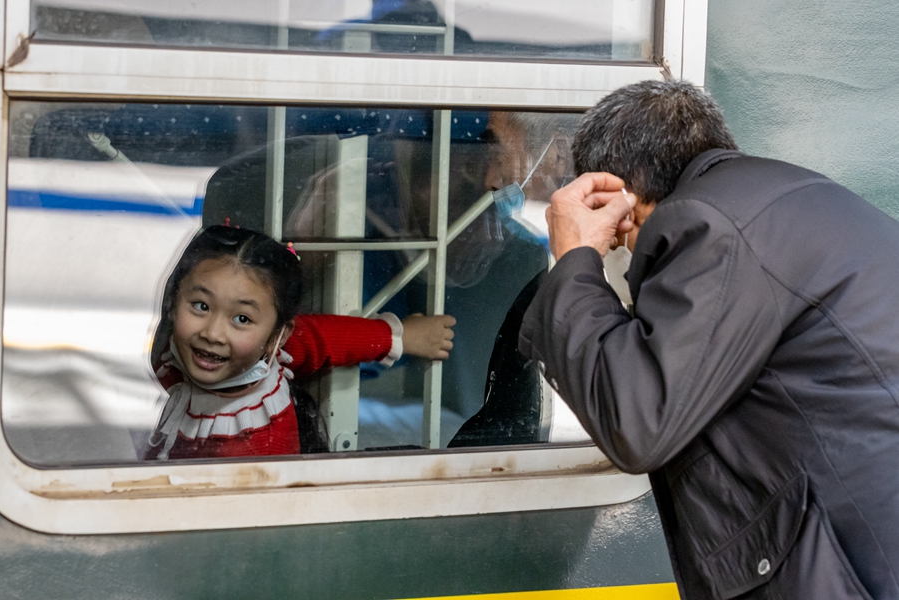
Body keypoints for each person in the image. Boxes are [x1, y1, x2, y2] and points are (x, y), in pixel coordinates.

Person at [518, 79, 899, 599]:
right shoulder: (800, 199)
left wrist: (574, 259)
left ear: (618, 195)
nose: (624, 255)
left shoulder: (706, 225)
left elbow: (638, 421)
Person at [145, 225, 455, 460]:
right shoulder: (175, 351)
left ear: (277, 337)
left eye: (242, 319)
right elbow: (326, 335)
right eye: (201, 306)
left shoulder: (262, 439)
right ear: (173, 302)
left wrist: (406, 337)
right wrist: (391, 336)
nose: (212, 333)